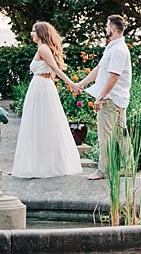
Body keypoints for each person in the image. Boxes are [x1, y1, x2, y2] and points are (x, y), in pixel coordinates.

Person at [11, 21, 83, 178]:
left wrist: (72, 84)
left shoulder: (43, 49)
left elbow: (56, 70)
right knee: (41, 123)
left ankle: (42, 166)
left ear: (41, 33)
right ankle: (38, 164)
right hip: (41, 87)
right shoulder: (43, 48)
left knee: (41, 123)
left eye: (33, 31)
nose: (31, 34)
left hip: (41, 88)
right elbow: (52, 71)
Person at [74, 14, 132, 180]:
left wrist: (101, 97)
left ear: (113, 28)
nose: (106, 29)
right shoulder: (113, 47)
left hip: (111, 100)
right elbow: (100, 69)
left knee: (105, 136)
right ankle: (128, 168)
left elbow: (113, 76)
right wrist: (82, 84)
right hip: (116, 99)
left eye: (107, 26)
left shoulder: (119, 50)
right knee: (122, 135)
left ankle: (103, 171)